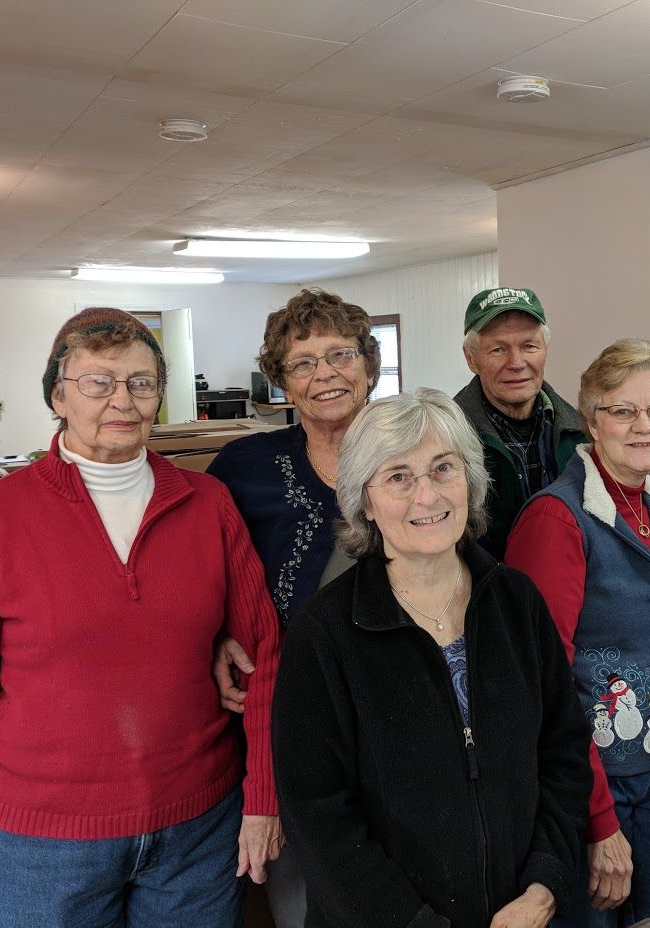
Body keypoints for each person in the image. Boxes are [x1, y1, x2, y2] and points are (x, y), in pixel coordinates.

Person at [0, 308, 281, 928]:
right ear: (58, 394)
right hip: (38, 846)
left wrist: (262, 797)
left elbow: (265, 654)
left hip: (195, 831)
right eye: (97, 381)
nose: (122, 400)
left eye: (141, 382)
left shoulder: (208, 504)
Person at [273, 389, 592, 928]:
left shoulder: (517, 602)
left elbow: (563, 754)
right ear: (365, 501)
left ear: (470, 478)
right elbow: (318, 817)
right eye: (398, 476)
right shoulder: (323, 634)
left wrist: (545, 886)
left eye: (444, 468)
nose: (427, 495)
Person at [506, 339, 650, 927]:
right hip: (596, 792)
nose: (643, 426)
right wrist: (599, 821)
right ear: (591, 419)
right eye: (623, 410)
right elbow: (544, 681)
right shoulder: (556, 518)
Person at [206, 287, 380, 927]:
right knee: (302, 893)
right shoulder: (242, 467)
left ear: (368, 363)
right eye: (302, 363)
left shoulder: (411, 448)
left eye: (339, 354)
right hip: (290, 711)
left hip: (398, 704)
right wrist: (218, 637)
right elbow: (204, 572)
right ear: (281, 381)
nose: (325, 373)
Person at [454, 287, 586, 558]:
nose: (516, 363)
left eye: (529, 346)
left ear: (545, 350)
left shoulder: (581, 431)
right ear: (471, 359)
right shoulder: (447, 436)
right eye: (498, 349)